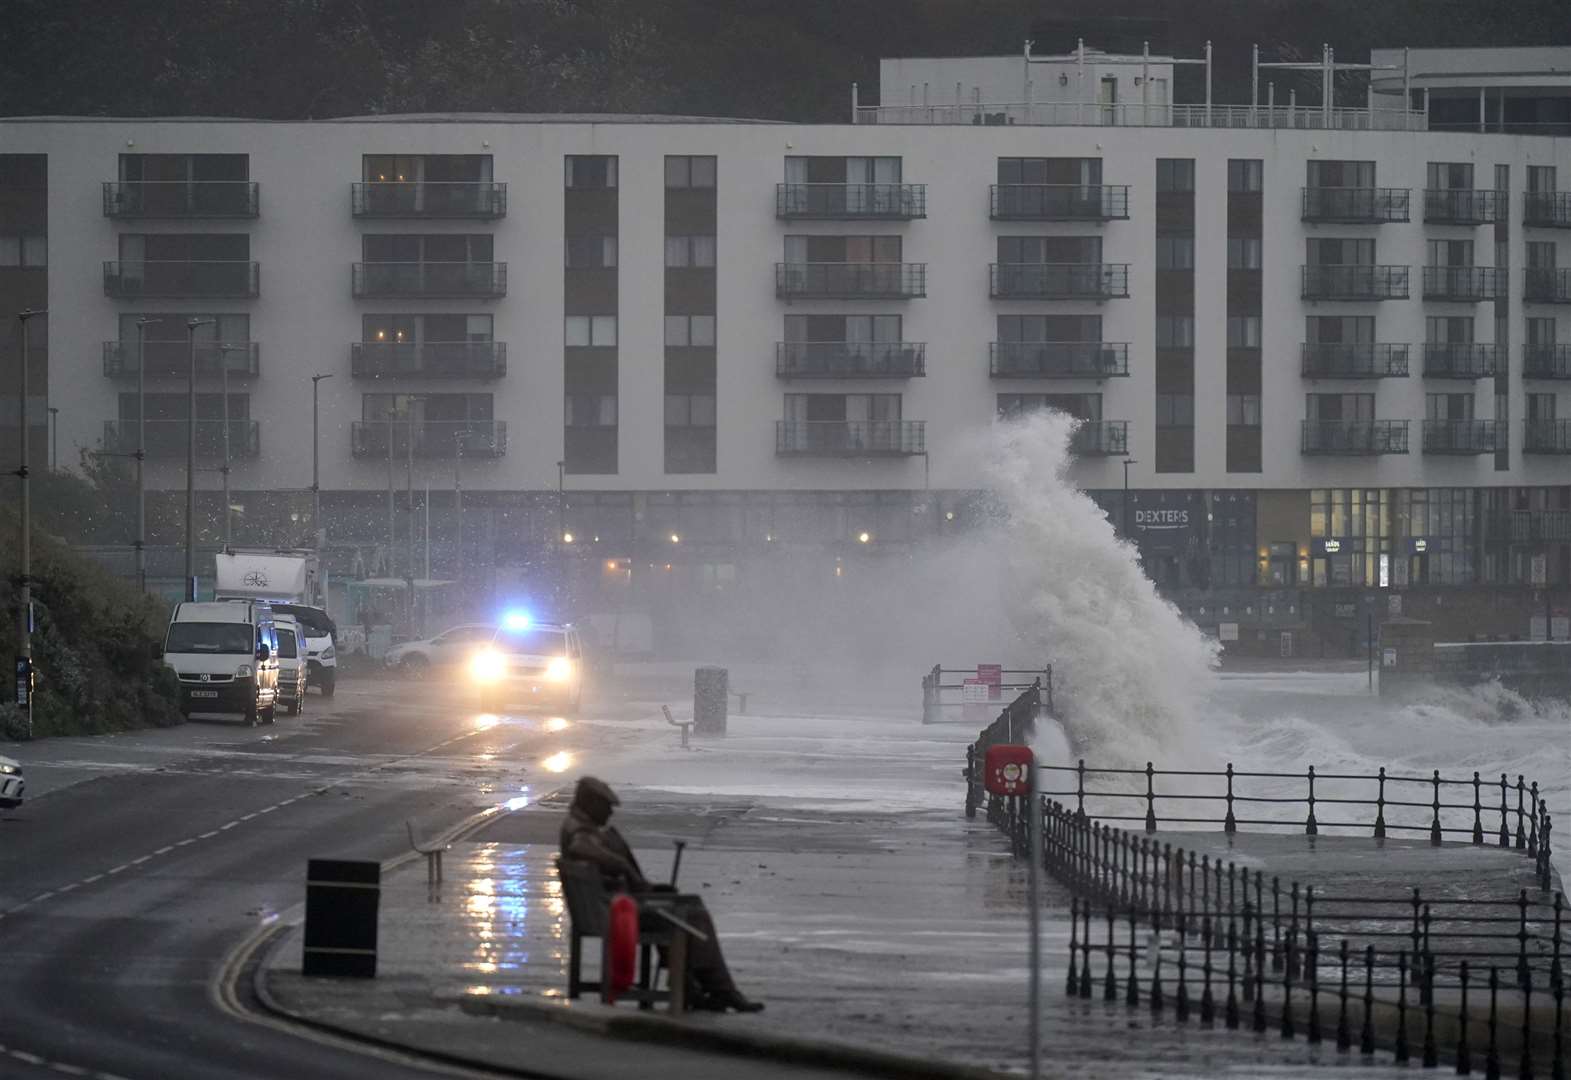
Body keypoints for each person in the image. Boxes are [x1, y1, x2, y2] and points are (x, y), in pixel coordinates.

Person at [559, 776, 763, 1013]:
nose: (609, 814)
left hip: (604, 908)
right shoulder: (581, 829)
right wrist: (624, 867)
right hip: (615, 912)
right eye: (606, 807)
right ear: (591, 804)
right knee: (691, 914)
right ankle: (718, 989)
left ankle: (694, 985)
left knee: (686, 906)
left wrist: (645, 886)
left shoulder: (576, 824)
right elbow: (580, 846)